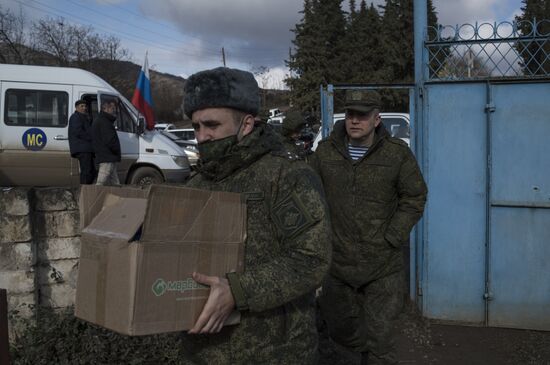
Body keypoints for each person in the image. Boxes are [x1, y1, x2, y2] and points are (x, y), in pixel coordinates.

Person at [181, 67, 332, 364]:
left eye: (211, 125)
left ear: (247, 124)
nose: (202, 136)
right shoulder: (197, 184)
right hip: (203, 350)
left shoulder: (285, 176)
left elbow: (312, 258)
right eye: (196, 126)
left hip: (274, 351)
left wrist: (239, 291)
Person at [310, 90, 427, 365]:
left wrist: (392, 236)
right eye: (350, 114)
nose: (354, 121)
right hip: (337, 265)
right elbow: (309, 194)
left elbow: (415, 196)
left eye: (362, 115)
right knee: (342, 337)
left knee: (380, 340)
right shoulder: (325, 152)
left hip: (382, 266)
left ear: (377, 119)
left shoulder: (396, 154)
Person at [92, 98, 121, 186]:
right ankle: (94, 197)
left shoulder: (102, 120)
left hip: (107, 156)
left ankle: (118, 197)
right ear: (105, 108)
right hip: (107, 156)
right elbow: (110, 140)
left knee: (115, 183)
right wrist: (116, 150)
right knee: (101, 183)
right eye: (112, 108)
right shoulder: (104, 122)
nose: (114, 110)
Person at [68, 99, 96, 184]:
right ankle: (84, 190)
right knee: (86, 172)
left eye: (85, 106)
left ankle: (87, 189)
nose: (84, 108)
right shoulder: (75, 117)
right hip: (82, 148)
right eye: (82, 106)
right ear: (76, 108)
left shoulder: (83, 117)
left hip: (86, 148)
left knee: (91, 171)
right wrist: (92, 137)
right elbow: (78, 132)